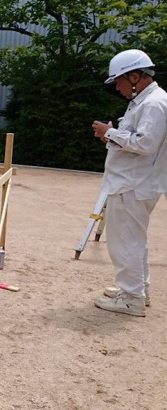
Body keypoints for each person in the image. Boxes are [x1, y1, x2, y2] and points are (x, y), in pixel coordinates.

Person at [91, 49, 167, 317]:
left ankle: (131, 298)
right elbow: (138, 138)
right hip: (137, 182)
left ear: (135, 76)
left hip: (132, 184)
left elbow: (146, 143)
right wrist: (114, 136)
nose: (118, 88)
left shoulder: (153, 104)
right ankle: (136, 291)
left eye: (119, 82)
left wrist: (109, 132)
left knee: (124, 243)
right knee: (135, 241)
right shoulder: (147, 101)